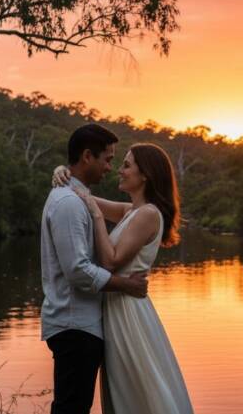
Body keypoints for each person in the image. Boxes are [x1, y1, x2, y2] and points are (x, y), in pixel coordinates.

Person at [52, 142, 194, 414]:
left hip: (129, 314)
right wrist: (64, 173)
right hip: (117, 308)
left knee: (137, 389)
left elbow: (111, 261)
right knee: (125, 389)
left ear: (145, 176)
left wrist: (95, 217)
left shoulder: (149, 214)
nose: (119, 170)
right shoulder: (132, 211)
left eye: (127, 165)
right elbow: (85, 196)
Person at [40, 124, 149, 414]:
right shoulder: (68, 204)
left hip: (81, 324)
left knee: (73, 406)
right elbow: (77, 271)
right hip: (74, 323)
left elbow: (134, 212)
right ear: (87, 156)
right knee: (71, 408)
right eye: (108, 159)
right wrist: (126, 284)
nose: (110, 167)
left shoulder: (77, 199)